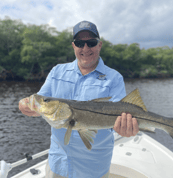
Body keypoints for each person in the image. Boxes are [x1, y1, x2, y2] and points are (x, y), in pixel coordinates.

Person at [18, 20, 139, 178]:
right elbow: (38, 100)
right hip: (57, 164)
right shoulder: (57, 71)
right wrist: (25, 104)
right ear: (73, 45)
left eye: (91, 42)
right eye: (80, 43)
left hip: (94, 168)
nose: (85, 48)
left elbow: (122, 117)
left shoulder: (114, 78)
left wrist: (126, 128)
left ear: (99, 45)